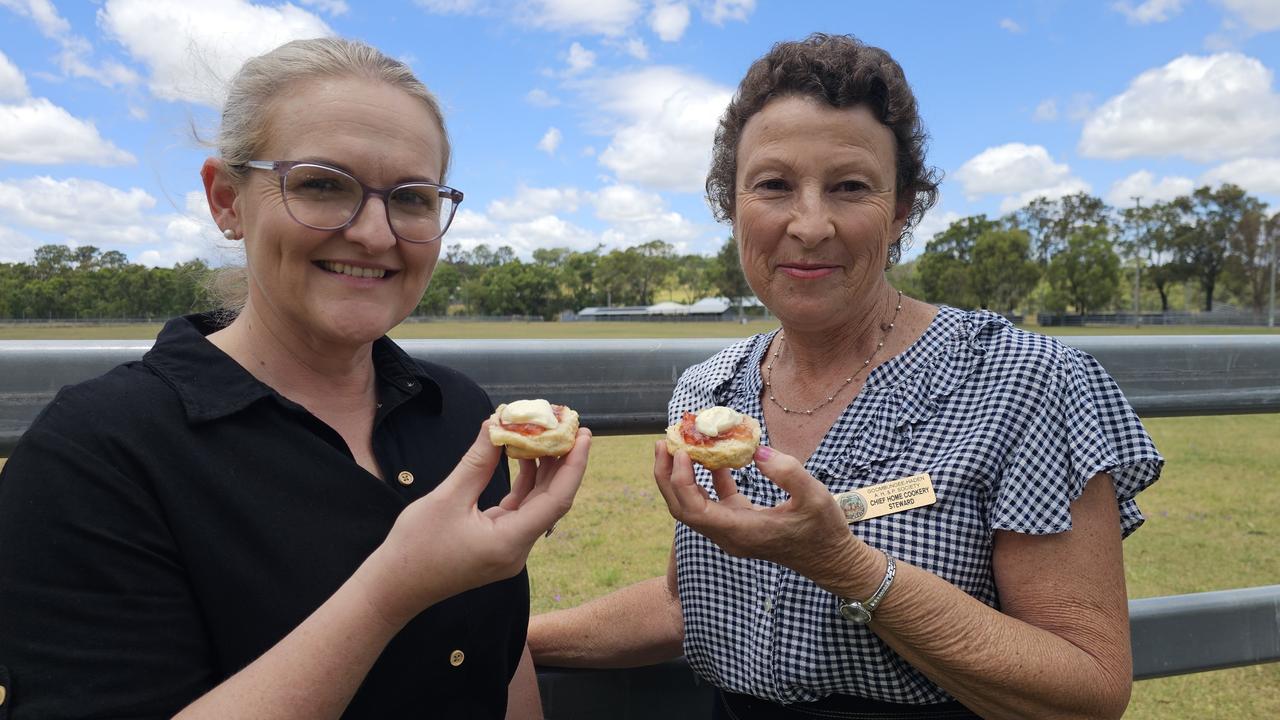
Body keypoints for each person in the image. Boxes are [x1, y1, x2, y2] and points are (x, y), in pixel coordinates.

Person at [529, 34, 1162, 719]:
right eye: (773, 185)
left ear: (901, 210)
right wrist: (494, 636)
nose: (809, 224)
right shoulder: (708, 395)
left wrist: (845, 566)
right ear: (730, 203)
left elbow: (1089, 689)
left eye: (849, 187)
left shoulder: (1025, 382)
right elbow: (698, 604)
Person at [0, 38, 588, 719]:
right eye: (321, 184)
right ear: (226, 200)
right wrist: (389, 591)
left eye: (412, 198)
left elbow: (498, 656)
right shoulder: (95, 455)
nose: (374, 233)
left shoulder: (460, 414)